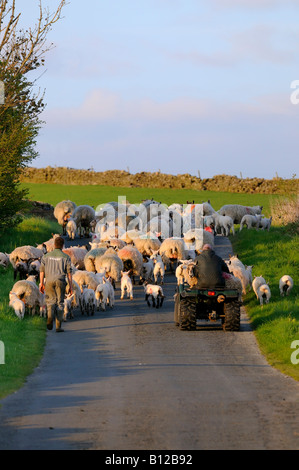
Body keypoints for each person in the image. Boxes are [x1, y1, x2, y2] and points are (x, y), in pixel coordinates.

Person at [39, 236, 72, 332]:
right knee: (60, 302)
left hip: (49, 281)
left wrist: (41, 283)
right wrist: (70, 286)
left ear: (54, 245)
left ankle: (50, 317)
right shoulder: (66, 257)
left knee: (50, 301)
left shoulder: (46, 256)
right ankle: (58, 326)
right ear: (62, 246)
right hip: (61, 281)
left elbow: (41, 271)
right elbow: (69, 273)